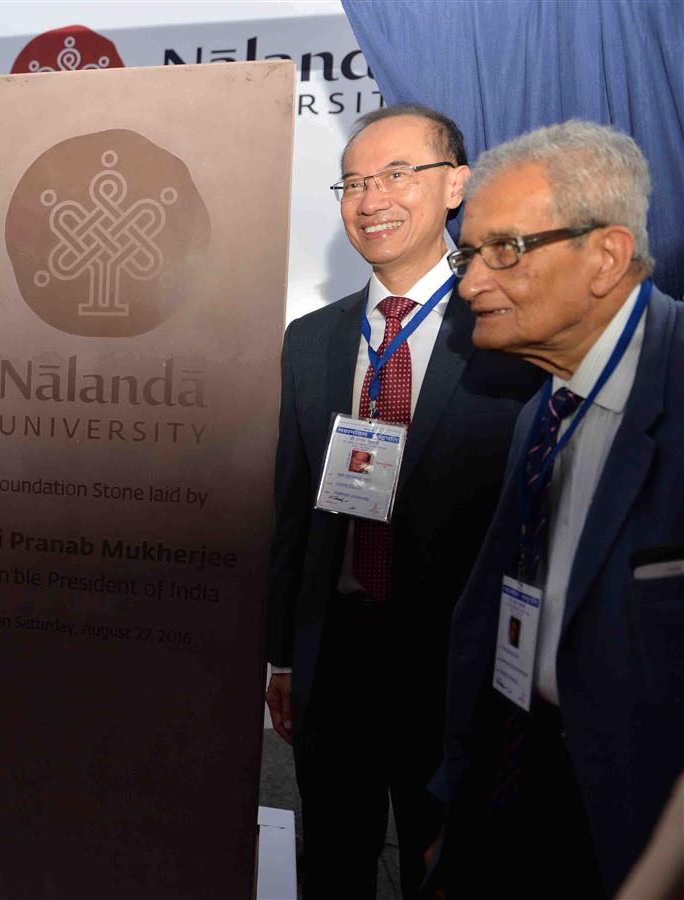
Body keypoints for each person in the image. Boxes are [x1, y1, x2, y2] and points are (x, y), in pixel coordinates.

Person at [264, 105, 542, 898]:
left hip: (461, 663)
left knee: (454, 861)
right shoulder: (311, 339)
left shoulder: (512, 322)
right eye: (353, 181)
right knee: (337, 856)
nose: (370, 197)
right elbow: (295, 509)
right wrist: (285, 653)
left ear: (455, 184)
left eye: (396, 174)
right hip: (338, 652)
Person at [432, 120, 683, 897]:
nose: (470, 284)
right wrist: (459, 805)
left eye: (504, 250)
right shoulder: (542, 410)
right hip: (525, 789)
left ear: (605, 256)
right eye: (466, 255)